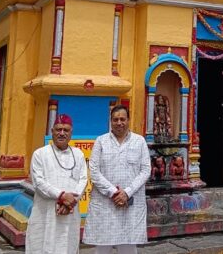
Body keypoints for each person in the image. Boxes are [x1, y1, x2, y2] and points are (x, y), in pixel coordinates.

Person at [84, 105, 151, 254]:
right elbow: (94, 171)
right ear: (111, 121)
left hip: (130, 203)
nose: (119, 123)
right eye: (115, 119)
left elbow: (146, 170)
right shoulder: (101, 141)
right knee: (102, 247)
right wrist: (114, 192)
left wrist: (127, 193)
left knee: (128, 247)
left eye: (122, 119)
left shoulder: (139, 141)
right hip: (105, 203)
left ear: (128, 120)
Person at [26, 114, 88, 254]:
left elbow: (83, 179)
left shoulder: (78, 154)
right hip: (46, 212)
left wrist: (70, 202)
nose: (62, 133)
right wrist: (61, 196)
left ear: (71, 133)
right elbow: (38, 182)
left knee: (67, 246)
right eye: (58, 129)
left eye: (66, 130)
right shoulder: (40, 154)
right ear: (52, 131)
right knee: (42, 246)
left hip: (70, 211)